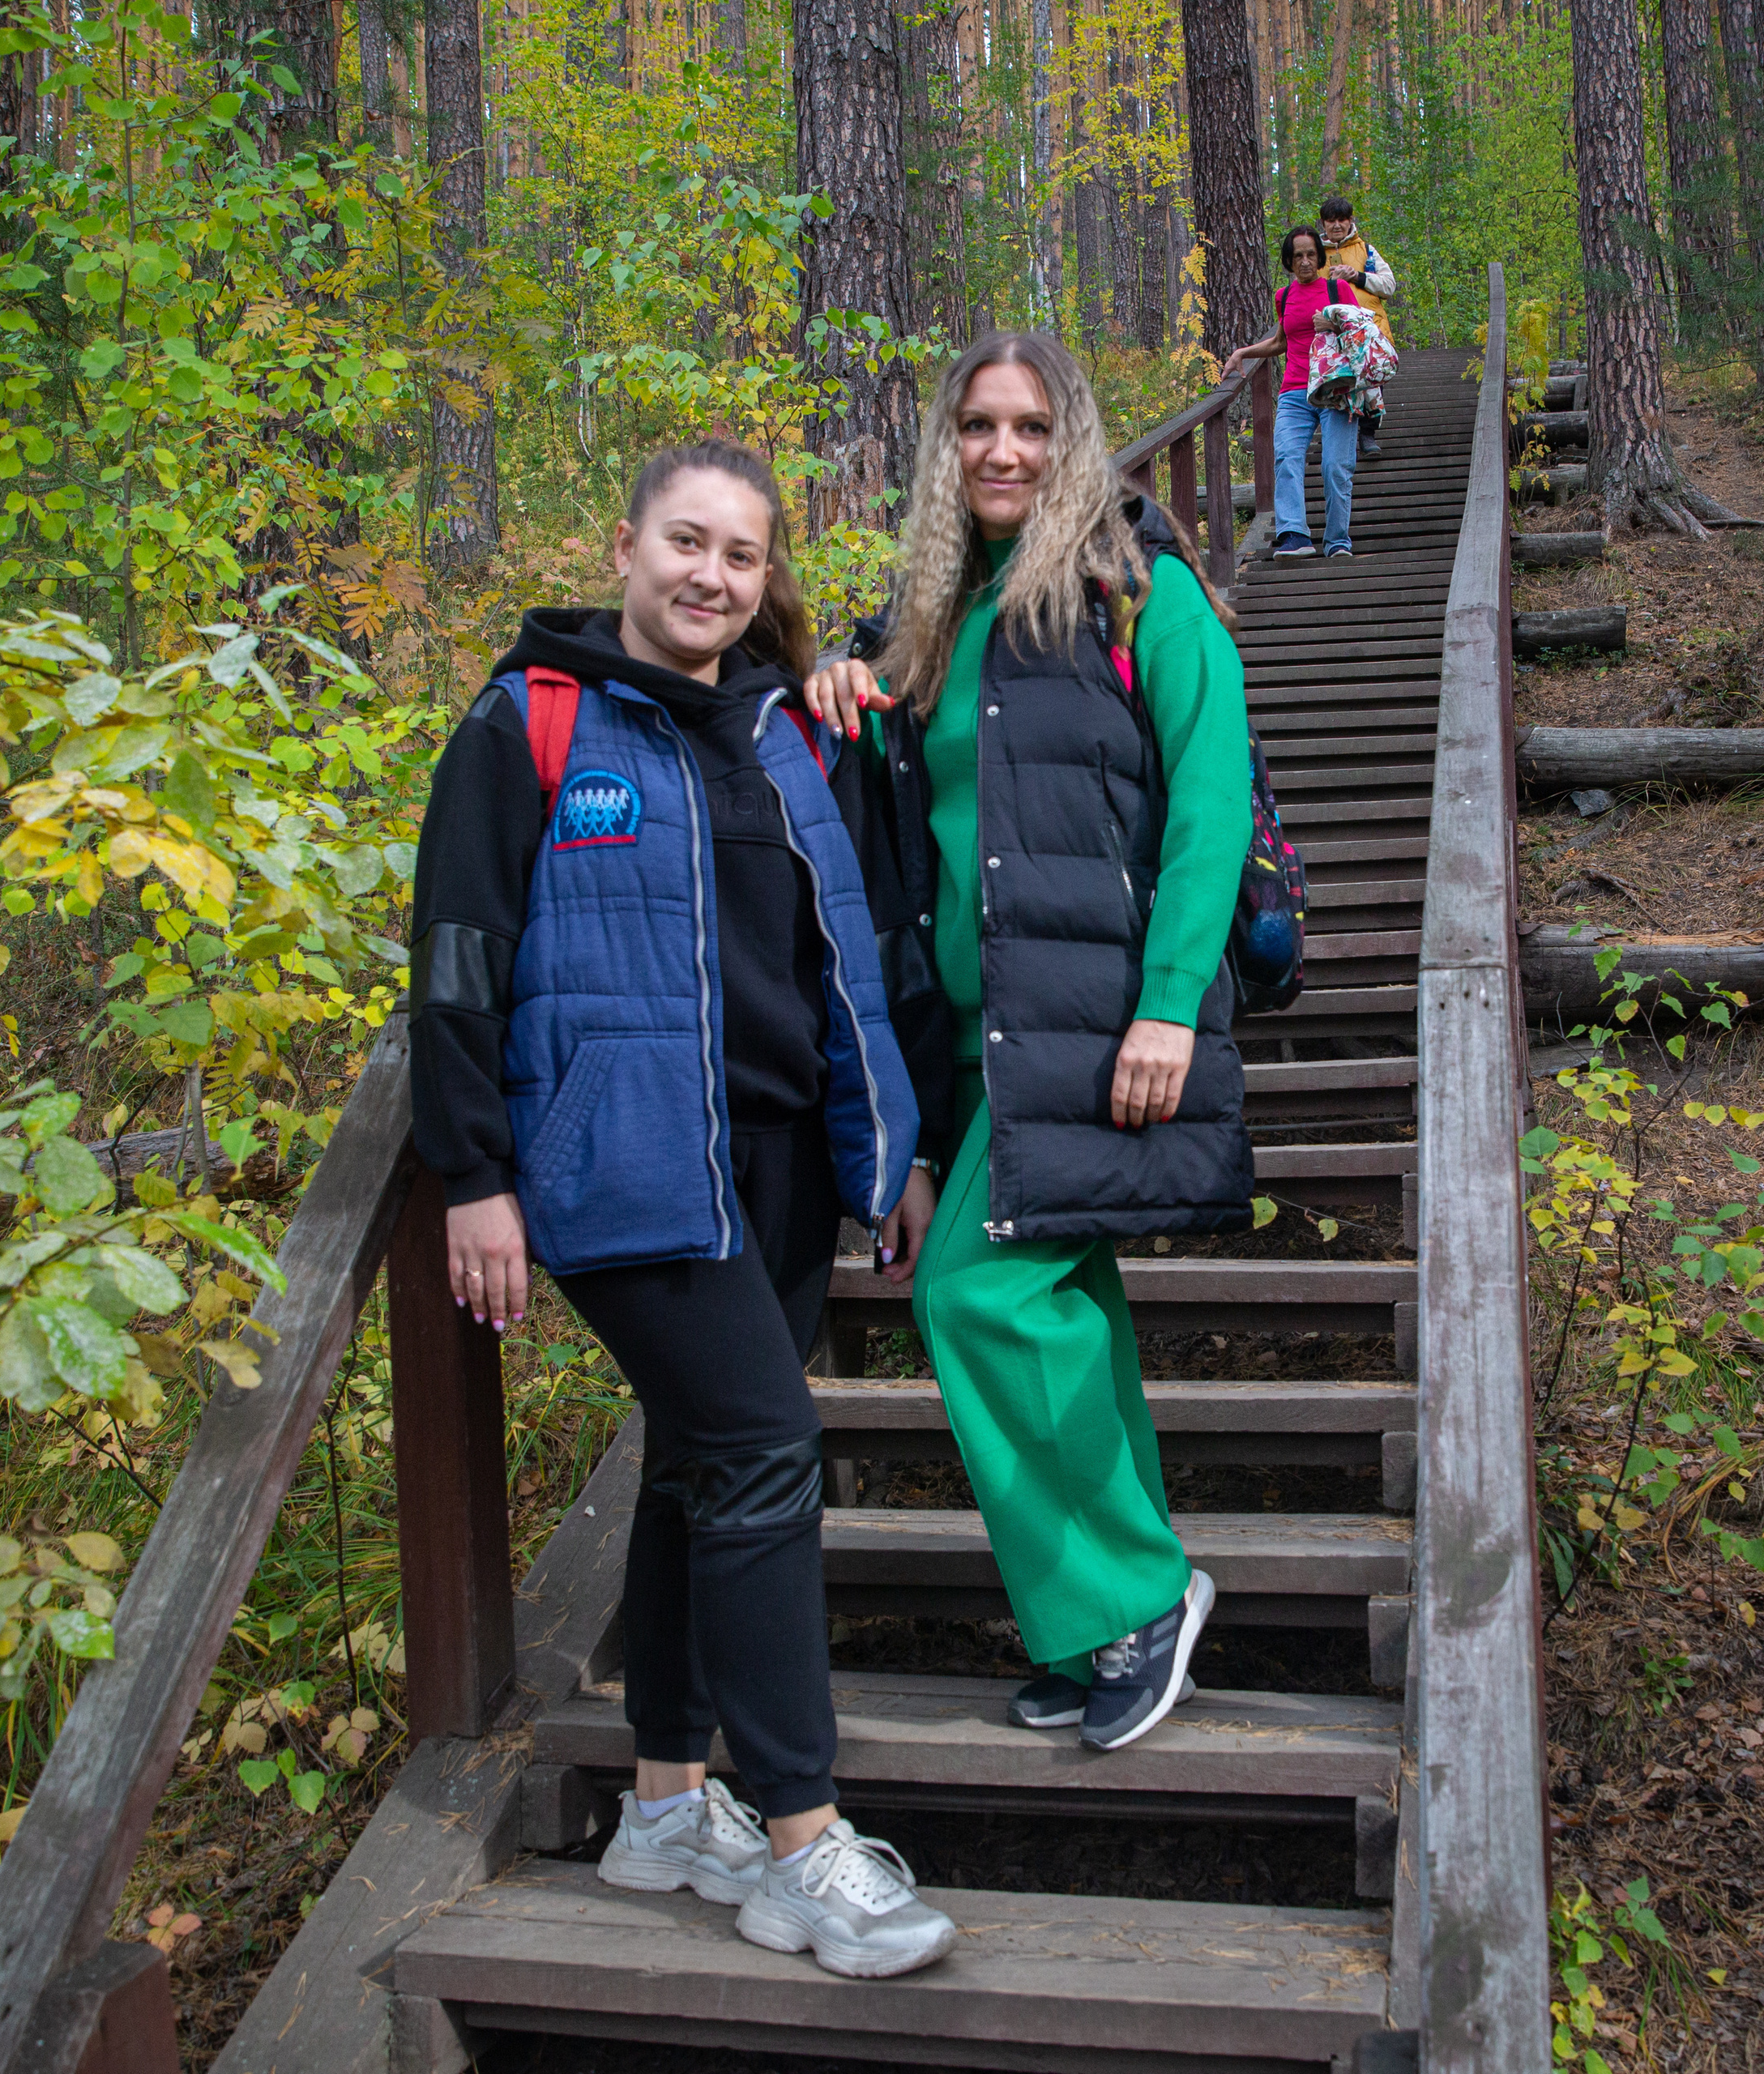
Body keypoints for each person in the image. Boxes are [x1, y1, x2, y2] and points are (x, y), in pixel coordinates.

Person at [408, 438, 959, 1980]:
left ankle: (662, 1804)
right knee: (768, 1451)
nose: (712, 575)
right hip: (628, 1166)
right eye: (687, 543)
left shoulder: (783, 733)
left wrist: (890, 1148)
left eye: (740, 555)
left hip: (779, 1165)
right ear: (630, 545)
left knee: (699, 1466)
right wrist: (475, 1175)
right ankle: (798, 1838)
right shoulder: (534, 723)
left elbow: (840, 952)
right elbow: (456, 957)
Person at [803, 333, 1254, 1753]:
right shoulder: (934, 618)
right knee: (1070, 1299)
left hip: (1096, 1022)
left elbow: (1214, 801)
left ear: (1077, 439)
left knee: (977, 1296)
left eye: (1034, 426)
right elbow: (902, 812)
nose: (1005, 451)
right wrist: (834, 680)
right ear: (950, 447)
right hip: (979, 1041)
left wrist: (1170, 1001)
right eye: (979, 426)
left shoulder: (1139, 590)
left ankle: (1133, 1596)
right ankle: (1087, 1613)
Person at [1219, 224, 1362, 560]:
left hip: (1335, 388)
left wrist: (1334, 323)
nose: (1305, 262)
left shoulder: (1337, 289)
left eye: (1311, 254)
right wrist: (1243, 352)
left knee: (1335, 465)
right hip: (1295, 390)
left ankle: (1338, 540)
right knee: (1286, 457)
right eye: (1298, 256)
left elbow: (1362, 331)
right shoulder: (1284, 296)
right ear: (1288, 261)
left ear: (1320, 257)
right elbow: (1282, 342)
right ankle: (1294, 534)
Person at [1318, 197, 1398, 461]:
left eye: (1343, 219)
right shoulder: (1315, 254)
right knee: (1341, 384)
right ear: (1324, 224)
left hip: (1370, 329)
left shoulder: (1367, 251)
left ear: (1351, 221)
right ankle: (1347, 440)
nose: (1337, 225)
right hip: (1334, 332)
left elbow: (1389, 286)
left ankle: (1368, 435)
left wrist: (1357, 276)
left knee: (1373, 381)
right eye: (1332, 220)